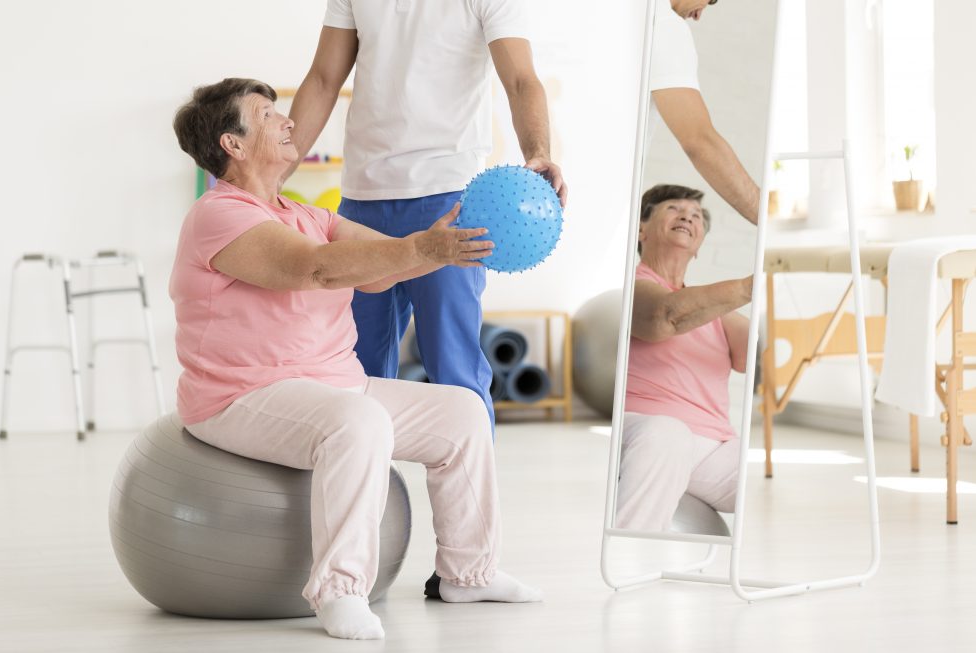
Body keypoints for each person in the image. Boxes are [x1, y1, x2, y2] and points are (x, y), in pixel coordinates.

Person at [169, 78, 541, 641]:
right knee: (359, 420)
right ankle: (340, 590)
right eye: (268, 115)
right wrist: (422, 247)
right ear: (233, 145)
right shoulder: (219, 215)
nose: (288, 121)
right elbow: (314, 268)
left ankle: (469, 572)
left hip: (334, 385)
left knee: (463, 412)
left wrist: (447, 242)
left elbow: (380, 267)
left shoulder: (308, 215)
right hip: (241, 396)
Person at [285, 0, 567, 435]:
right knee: (355, 373)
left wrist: (538, 153)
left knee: (455, 372)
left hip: (449, 199)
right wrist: (274, 174)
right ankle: (370, 499)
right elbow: (323, 80)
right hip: (362, 198)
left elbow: (520, 79)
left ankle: (471, 503)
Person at [615, 184, 751, 531]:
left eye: (695, 216)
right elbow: (664, 316)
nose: (687, 217)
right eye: (674, 209)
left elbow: (756, 356)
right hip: (645, 429)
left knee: (773, 473)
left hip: (713, 447)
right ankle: (629, 553)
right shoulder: (632, 286)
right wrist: (751, 286)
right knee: (668, 432)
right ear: (641, 230)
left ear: (700, 245)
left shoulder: (717, 310)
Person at [650, 0, 761, 224]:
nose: (699, 15)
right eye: (711, 0)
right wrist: (768, 219)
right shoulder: (663, 24)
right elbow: (700, 141)